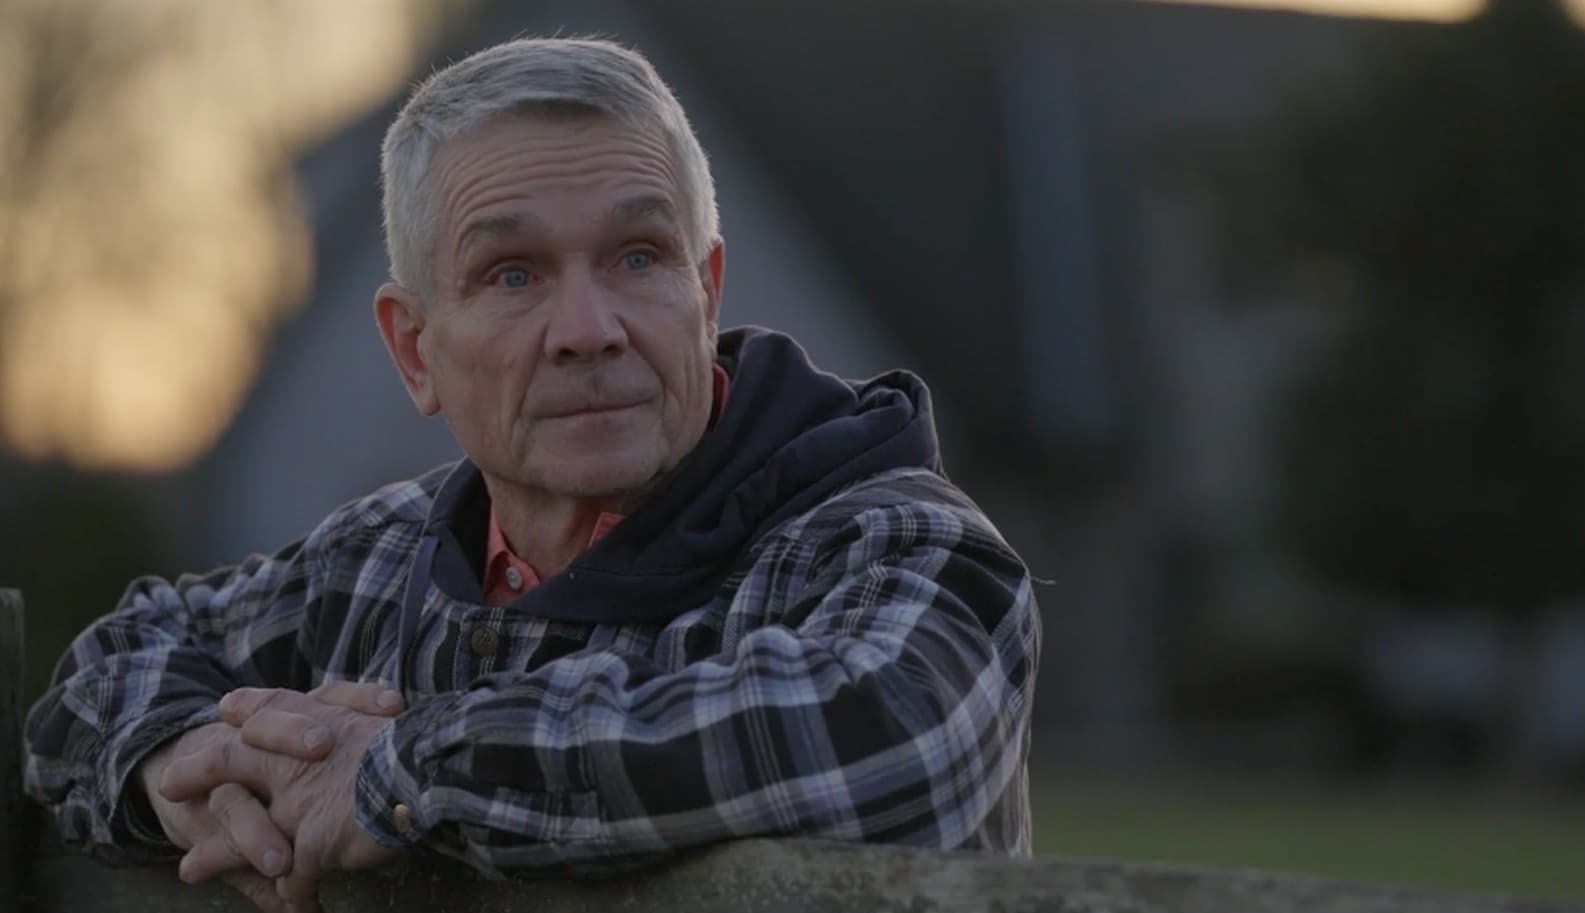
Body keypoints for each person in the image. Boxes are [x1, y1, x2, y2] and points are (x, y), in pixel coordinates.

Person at [23, 35, 1039, 913]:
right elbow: (113, 665)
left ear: (706, 287)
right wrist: (180, 759)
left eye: (639, 256)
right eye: (512, 274)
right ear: (415, 348)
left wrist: (398, 766)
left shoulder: (898, 543)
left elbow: (893, 734)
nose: (588, 330)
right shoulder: (377, 565)